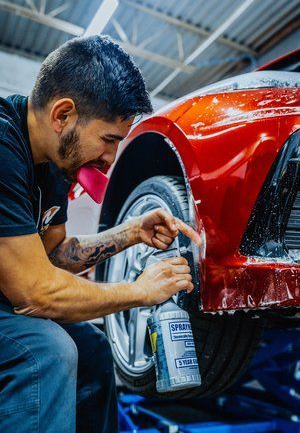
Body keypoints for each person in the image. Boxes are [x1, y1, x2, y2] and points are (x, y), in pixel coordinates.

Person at [0, 35, 200, 433]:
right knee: (47, 350)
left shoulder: (52, 162)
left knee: (91, 348)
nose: (109, 160)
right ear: (63, 115)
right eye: (108, 140)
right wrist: (140, 292)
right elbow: (35, 294)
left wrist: (130, 233)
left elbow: (54, 255)